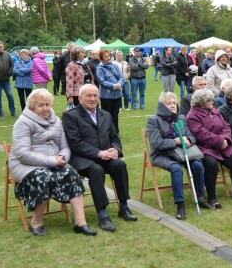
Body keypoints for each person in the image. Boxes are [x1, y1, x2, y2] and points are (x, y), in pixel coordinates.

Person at [9, 89, 96, 236]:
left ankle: (81, 223)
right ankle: (36, 222)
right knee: (43, 176)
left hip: (55, 161)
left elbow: (65, 146)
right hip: (26, 164)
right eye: (41, 105)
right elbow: (23, 154)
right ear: (32, 106)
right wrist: (52, 162)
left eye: (47, 105)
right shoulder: (23, 122)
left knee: (71, 173)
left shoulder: (56, 121)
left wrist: (62, 158)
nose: (45, 109)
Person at [62, 84, 137, 232]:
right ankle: (102, 214)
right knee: (96, 170)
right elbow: (75, 143)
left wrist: (115, 150)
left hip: (105, 156)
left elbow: (115, 137)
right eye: (88, 96)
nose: (92, 99)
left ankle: (123, 206)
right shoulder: (70, 116)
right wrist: (99, 153)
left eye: (95, 95)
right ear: (80, 97)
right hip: (83, 159)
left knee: (120, 165)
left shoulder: (105, 115)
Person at [147, 92, 212, 219]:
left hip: (182, 153)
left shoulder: (181, 118)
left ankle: (200, 196)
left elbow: (193, 137)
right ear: (162, 105)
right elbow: (157, 143)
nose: (172, 106)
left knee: (198, 164)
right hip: (162, 154)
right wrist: (175, 141)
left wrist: (188, 140)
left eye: (174, 103)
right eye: (169, 103)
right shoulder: (153, 120)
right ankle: (180, 204)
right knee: (176, 169)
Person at [186, 89, 232, 205]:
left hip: (222, 145)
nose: (213, 102)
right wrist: (220, 141)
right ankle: (212, 198)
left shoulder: (214, 111)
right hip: (205, 147)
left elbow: (226, 126)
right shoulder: (192, 116)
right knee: (211, 164)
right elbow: (201, 134)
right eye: (209, 100)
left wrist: (225, 139)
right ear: (201, 102)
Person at [96, 49, 124, 132]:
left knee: (115, 114)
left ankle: (116, 132)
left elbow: (121, 76)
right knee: (107, 115)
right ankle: (107, 132)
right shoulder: (100, 68)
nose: (108, 58)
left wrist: (120, 84)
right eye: (106, 57)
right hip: (106, 96)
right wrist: (113, 86)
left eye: (109, 56)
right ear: (101, 58)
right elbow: (102, 81)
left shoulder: (114, 65)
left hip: (117, 95)